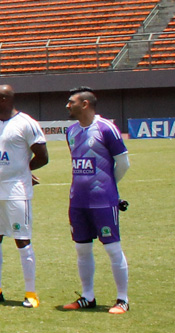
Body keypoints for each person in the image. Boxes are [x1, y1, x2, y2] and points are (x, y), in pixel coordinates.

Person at [61, 86, 131, 314]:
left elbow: (123, 163)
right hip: (78, 201)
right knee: (82, 249)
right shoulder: (71, 131)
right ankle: (87, 296)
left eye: (71, 102)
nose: (67, 106)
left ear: (85, 104)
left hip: (103, 201)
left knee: (112, 249)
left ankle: (122, 299)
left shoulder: (106, 128)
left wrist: (109, 188)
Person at [0, 84, 50, 308]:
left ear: (3, 99)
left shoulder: (26, 123)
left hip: (16, 191)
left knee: (22, 239)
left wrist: (24, 171)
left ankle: (31, 293)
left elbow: (42, 156)